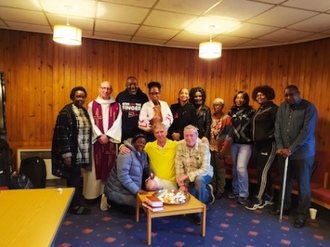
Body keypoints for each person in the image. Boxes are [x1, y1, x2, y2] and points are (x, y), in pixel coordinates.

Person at [270, 85, 317, 228]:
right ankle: (284, 207)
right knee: (285, 181)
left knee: (303, 184)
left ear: (298, 93)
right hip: (284, 152)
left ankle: (301, 215)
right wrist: (280, 148)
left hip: (303, 153)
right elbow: (277, 128)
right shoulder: (282, 107)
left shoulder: (308, 108)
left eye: (292, 95)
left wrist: (290, 149)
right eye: (286, 95)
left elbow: (306, 132)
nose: (289, 98)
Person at [51, 86, 92, 215]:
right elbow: (61, 135)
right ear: (72, 97)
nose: (81, 99)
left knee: (74, 178)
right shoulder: (66, 112)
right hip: (72, 152)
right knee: (73, 178)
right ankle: (75, 206)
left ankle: (73, 202)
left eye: (83, 96)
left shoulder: (84, 111)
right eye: (78, 96)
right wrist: (66, 154)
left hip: (81, 152)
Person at [83, 81, 122, 203]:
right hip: (97, 142)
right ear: (99, 89)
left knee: (110, 166)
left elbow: (118, 122)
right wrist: (99, 135)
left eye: (108, 88)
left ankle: (108, 195)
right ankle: (93, 195)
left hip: (111, 141)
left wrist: (108, 135)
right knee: (94, 169)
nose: (106, 91)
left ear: (112, 90)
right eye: (103, 88)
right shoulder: (91, 105)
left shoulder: (117, 105)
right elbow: (91, 122)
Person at [100, 133, 153, 214]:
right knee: (135, 211)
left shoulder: (143, 154)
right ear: (134, 142)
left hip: (129, 188)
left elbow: (145, 166)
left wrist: (150, 172)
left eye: (143, 143)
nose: (141, 145)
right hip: (118, 189)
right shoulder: (125, 154)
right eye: (139, 142)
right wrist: (137, 190)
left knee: (143, 208)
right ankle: (108, 199)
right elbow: (123, 177)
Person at [244, 86, 278, 210]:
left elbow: (278, 127)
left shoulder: (273, 109)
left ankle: (258, 198)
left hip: (269, 146)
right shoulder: (260, 110)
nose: (259, 97)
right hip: (257, 146)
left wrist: (267, 137)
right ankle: (267, 197)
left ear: (268, 95)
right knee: (264, 172)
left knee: (262, 172)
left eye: (262, 95)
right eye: (257, 95)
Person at [175, 125, 215, 225]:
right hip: (188, 177)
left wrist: (187, 176)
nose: (189, 138)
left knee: (199, 180)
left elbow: (204, 169)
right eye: (186, 136)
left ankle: (199, 213)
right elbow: (178, 166)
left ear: (197, 135)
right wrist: (182, 185)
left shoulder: (203, 146)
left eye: (191, 135)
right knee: (191, 195)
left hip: (204, 175)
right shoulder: (180, 145)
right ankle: (207, 193)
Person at [227, 91, 255, 205]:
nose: (239, 100)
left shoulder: (251, 111)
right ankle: (236, 190)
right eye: (237, 98)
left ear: (246, 99)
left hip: (246, 143)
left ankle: (244, 194)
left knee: (241, 167)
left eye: (242, 98)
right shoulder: (231, 111)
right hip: (233, 142)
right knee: (234, 167)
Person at [209, 98, 232, 200]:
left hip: (220, 148)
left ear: (223, 107)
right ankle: (213, 189)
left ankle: (220, 190)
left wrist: (223, 150)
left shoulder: (227, 118)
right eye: (215, 105)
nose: (217, 107)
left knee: (220, 170)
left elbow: (229, 136)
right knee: (211, 169)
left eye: (219, 105)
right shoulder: (211, 117)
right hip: (210, 147)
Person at [116, 76, 149, 142]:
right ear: (126, 85)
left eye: (135, 84)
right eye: (130, 84)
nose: (133, 86)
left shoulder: (143, 97)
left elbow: (148, 113)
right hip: (124, 133)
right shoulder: (121, 96)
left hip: (140, 133)